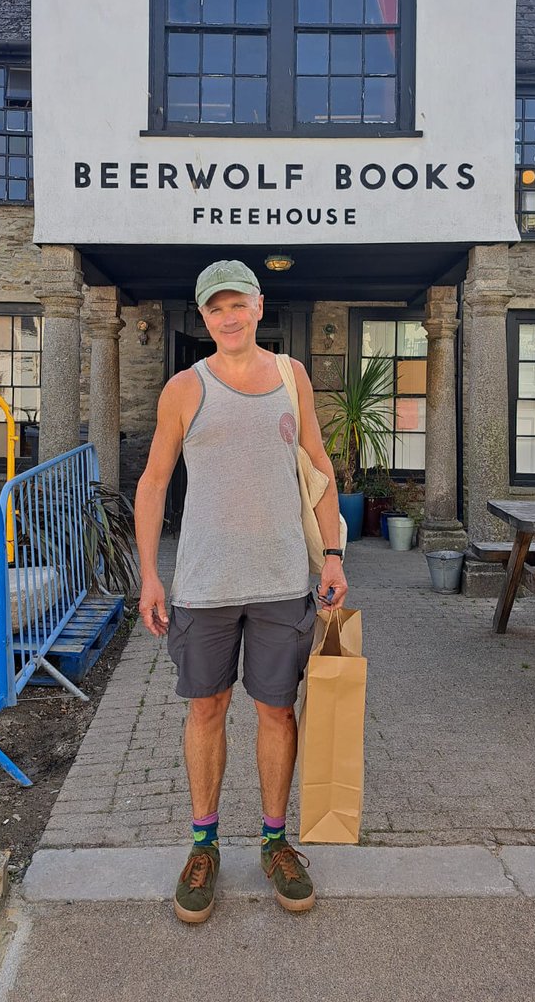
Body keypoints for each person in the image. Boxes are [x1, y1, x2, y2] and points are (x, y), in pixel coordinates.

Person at [134, 259, 348, 923]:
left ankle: (275, 841)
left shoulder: (292, 377)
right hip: (203, 584)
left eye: (237, 304)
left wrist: (333, 554)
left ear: (259, 306)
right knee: (205, 710)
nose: (227, 317)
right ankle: (204, 845)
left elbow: (317, 466)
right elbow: (152, 482)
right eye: (214, 308)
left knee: (276, 711)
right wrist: (149, 573)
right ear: (204, 318)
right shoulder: (182, 389)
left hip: (285, 579)